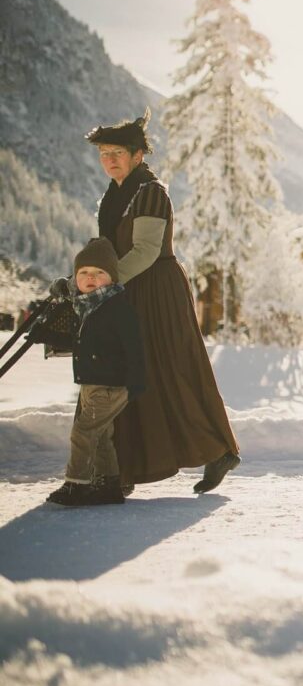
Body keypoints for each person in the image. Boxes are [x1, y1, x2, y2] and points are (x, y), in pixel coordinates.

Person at [86, 110, 240, 495]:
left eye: (118, 152)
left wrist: (105, 280)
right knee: (132, 375)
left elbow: (147, 250)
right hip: (127, 289)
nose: (110, 160)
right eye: (104, 153)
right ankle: (124, 468)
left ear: (138, 155)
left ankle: (218, 449)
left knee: (171, 370)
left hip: (155, 290)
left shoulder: (150, 192)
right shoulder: (113, 195)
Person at [46, 239, 145, 507]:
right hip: (92, 382)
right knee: (100, 434)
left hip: (111, 384)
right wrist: (48, 332)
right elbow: (80, 342)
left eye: (99, 273)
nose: (91, 278)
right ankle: (109, 484)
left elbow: (135, 346)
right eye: (84, 273)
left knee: (83, 432)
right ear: (76, 279)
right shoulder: (84, 306)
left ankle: (76, 484)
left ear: (112, 278)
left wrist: (137, 380)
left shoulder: (116, 307)